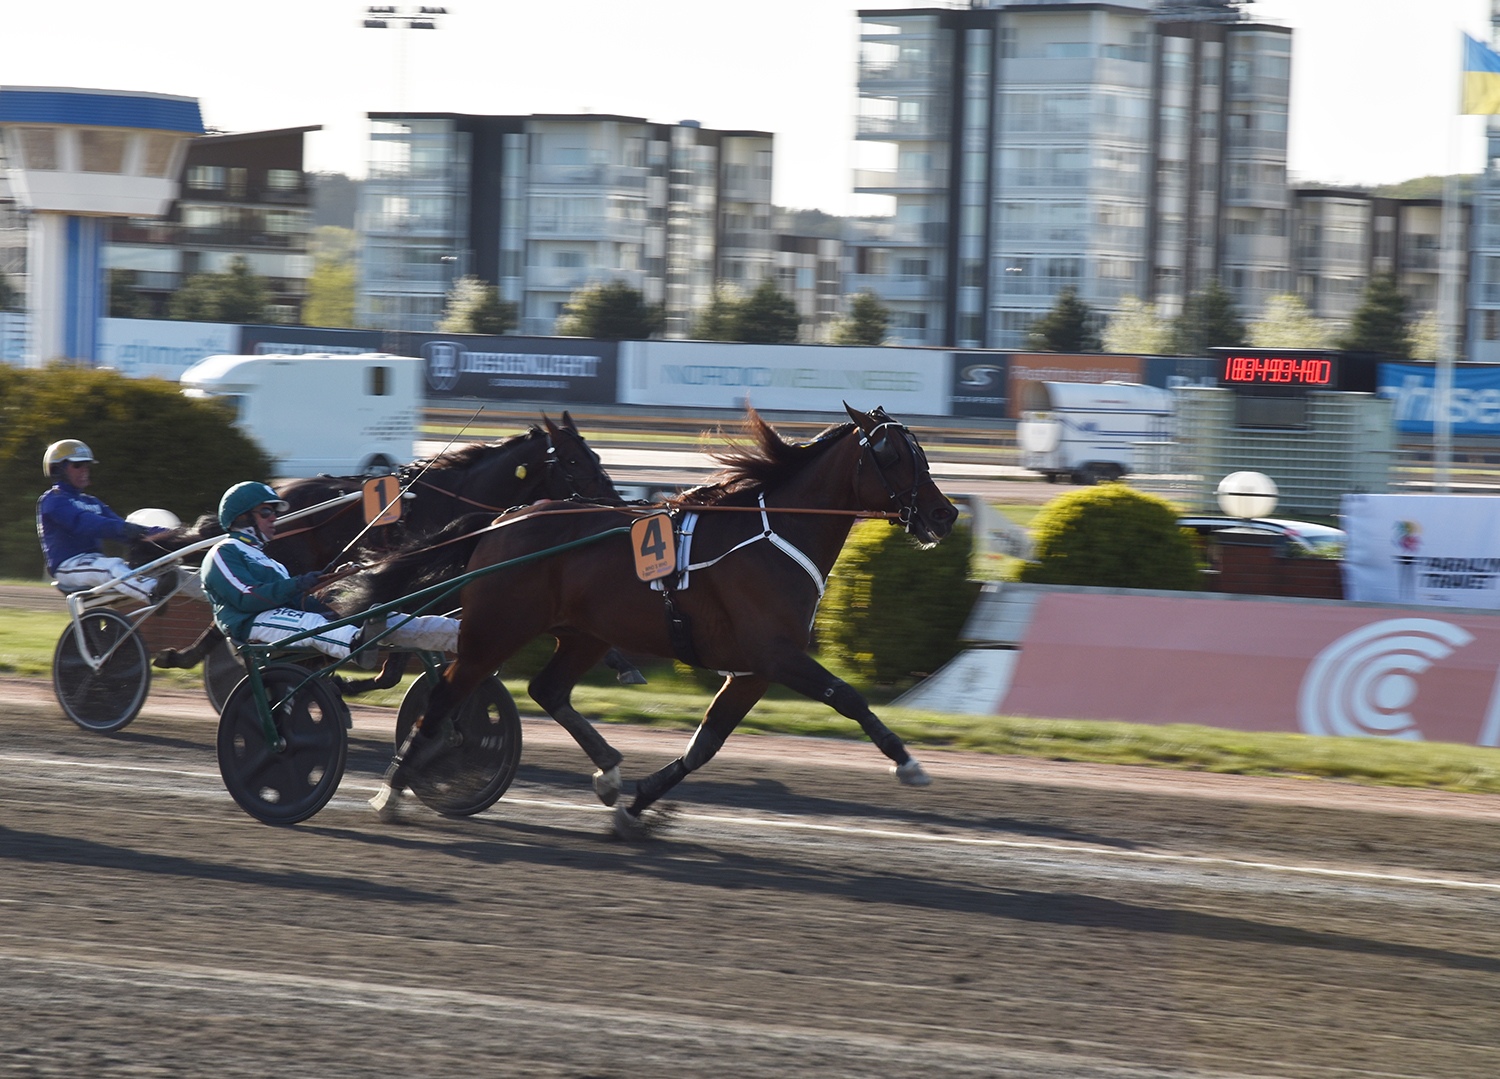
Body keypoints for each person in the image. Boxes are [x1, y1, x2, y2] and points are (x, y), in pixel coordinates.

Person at [201, 481, 459, 661]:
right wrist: (300, 583)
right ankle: (357, 644)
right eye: (266, 512)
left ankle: (457, 635)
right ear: (242, 518)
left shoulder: (267, 560)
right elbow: (248, 598)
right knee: (312, 623)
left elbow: (291, 597)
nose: (273, 519)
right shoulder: (224, 552)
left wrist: (330, 582)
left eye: (273, 513)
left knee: (380, 615)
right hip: (250, 625)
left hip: (283, 616)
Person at [37, 439, 172, 603]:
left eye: (87, 465)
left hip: (94, 564)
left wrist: (168, 534)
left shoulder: (92, 502)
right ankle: (153, 592)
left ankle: (205, 594)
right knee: (111, 568)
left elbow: (124, 528)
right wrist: (123, 529)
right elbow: (84, 523)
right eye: (78, 466)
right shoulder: (53, 500)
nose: (85, 470)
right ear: (58, 469)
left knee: (153, 568)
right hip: (69, 567)